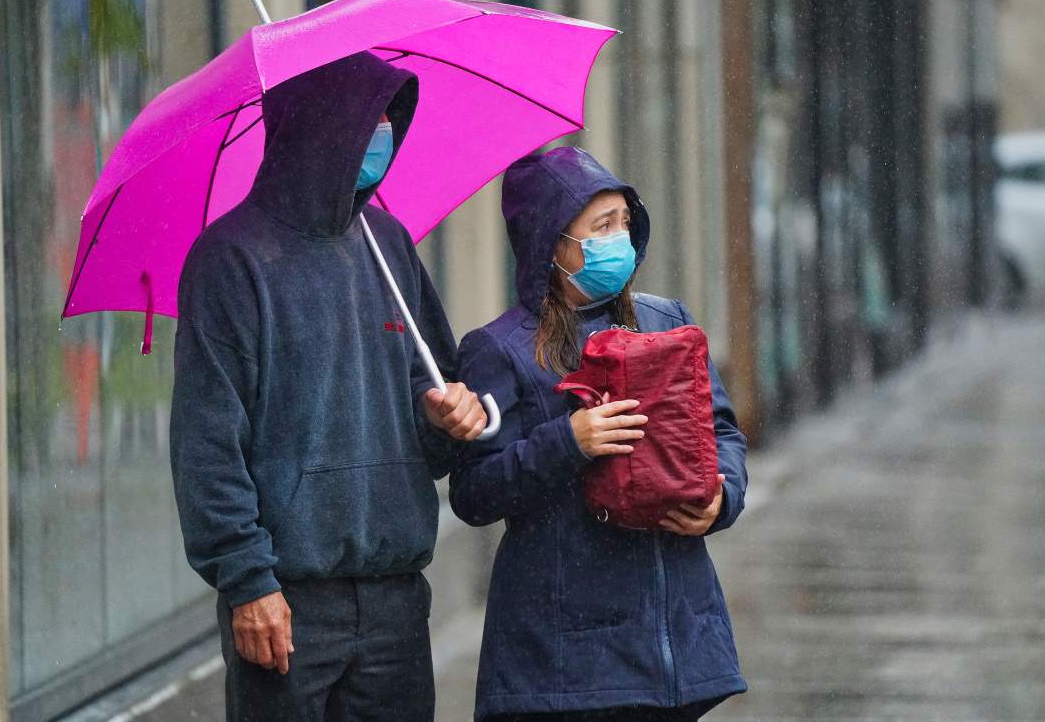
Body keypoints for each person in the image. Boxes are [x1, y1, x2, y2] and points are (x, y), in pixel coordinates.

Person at [169, 51, 487, 722]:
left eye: (390, 119)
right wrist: (247, 580)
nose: (383, 135)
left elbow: (433, 404)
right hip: (286, 602)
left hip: (397, 595)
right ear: (317, 126)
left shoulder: (388, 245)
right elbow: (207, 444)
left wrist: (448, 418)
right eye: (366, 118)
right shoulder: (231, 261)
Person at [450, 147, 748, 721]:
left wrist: (721, 496)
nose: (622, 240)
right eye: (602, 226)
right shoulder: (500, 349)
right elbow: (473, 492)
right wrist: (569, 441)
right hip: (566, 660)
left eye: (625, 224)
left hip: (676, 644)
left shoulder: (667, 322)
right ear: (552, 244)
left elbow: (721, 431)